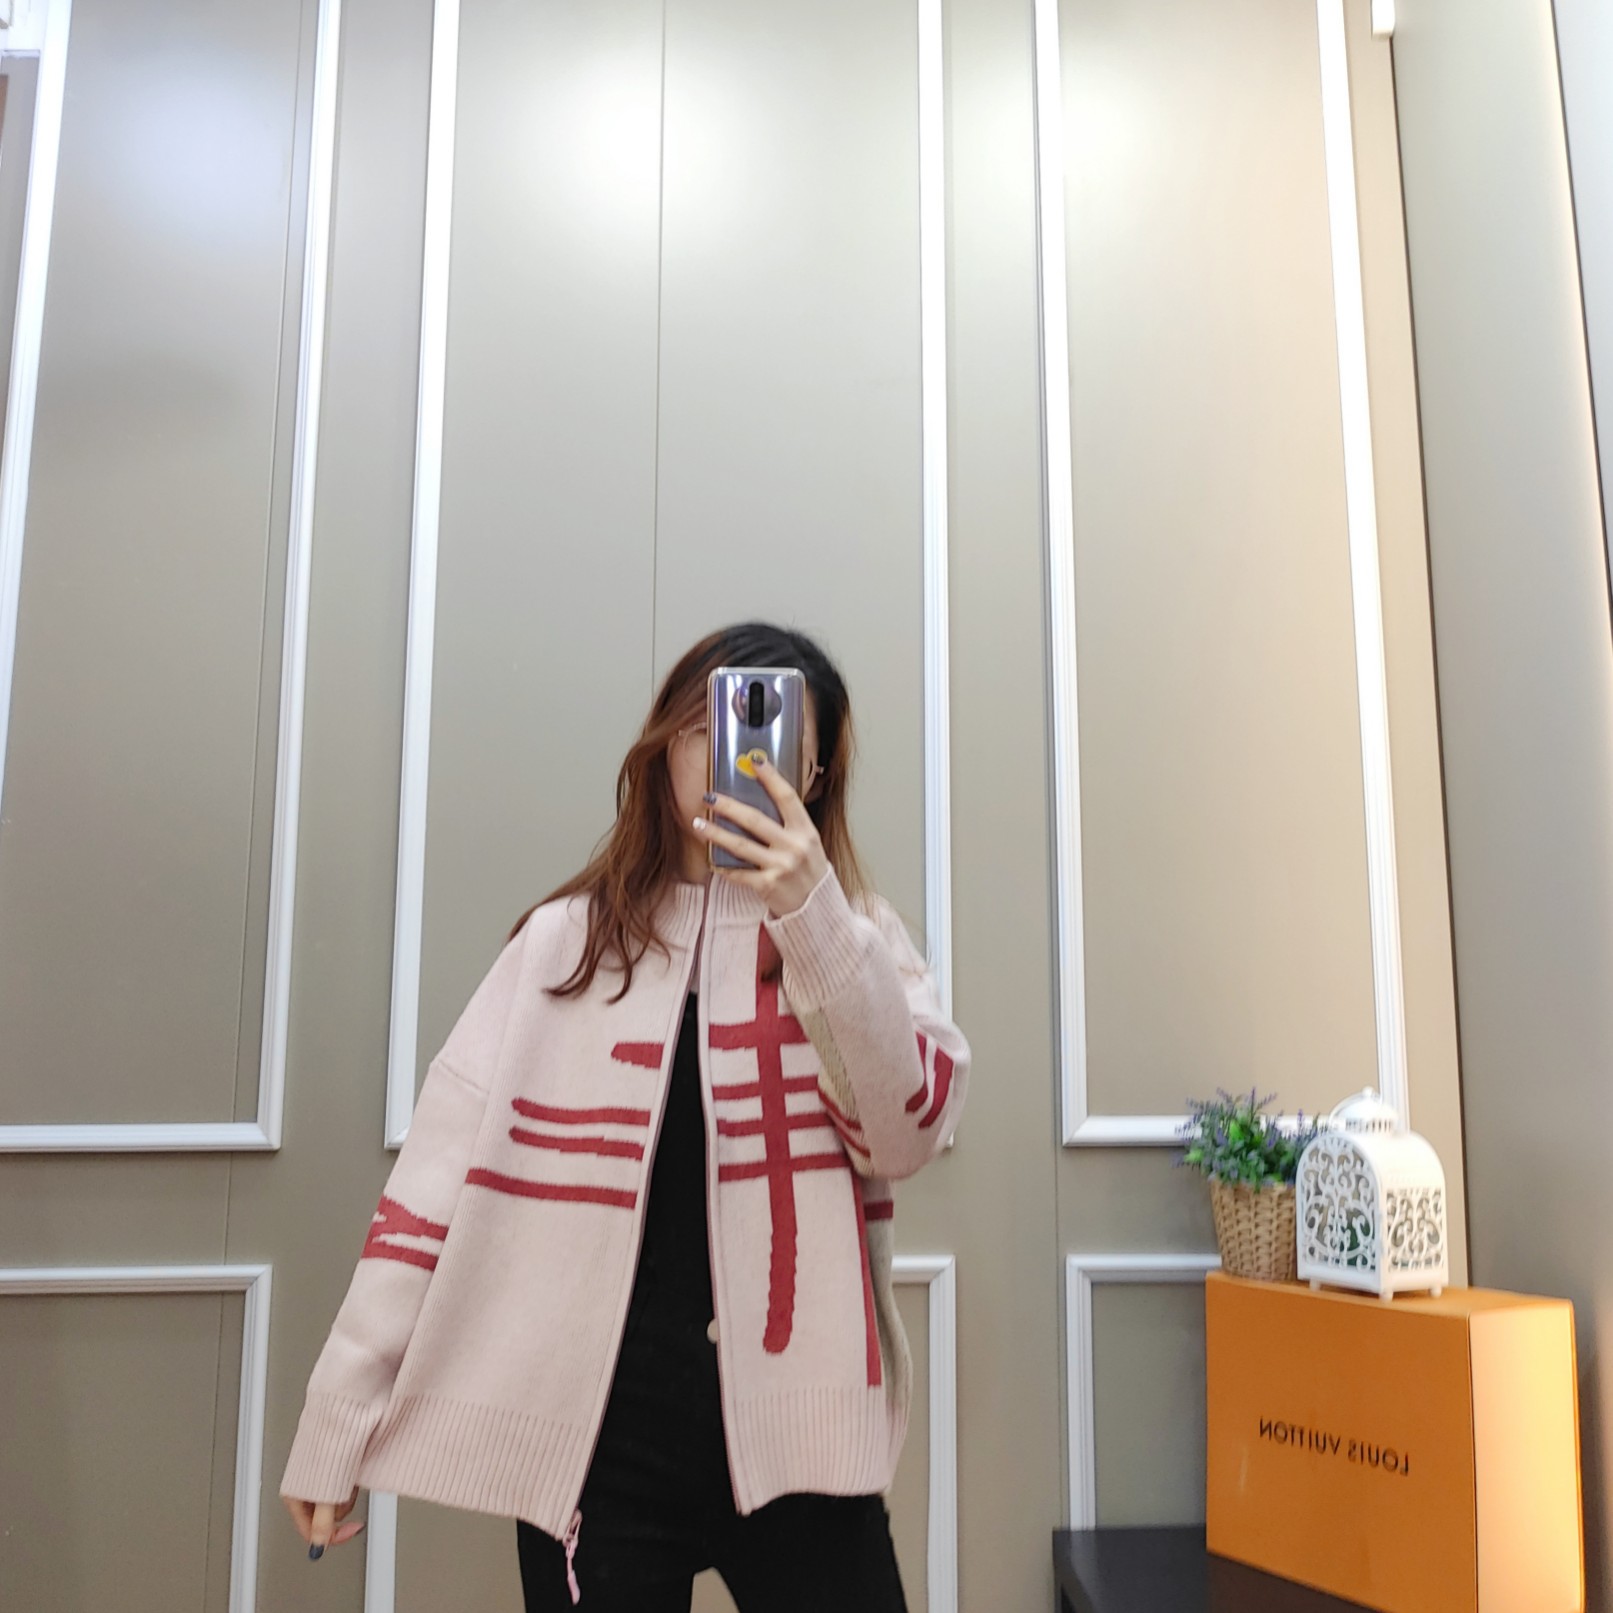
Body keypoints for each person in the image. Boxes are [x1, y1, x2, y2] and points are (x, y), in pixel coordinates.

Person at [280, 622, 969, 1612]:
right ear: (664, 742)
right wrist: (338, 1414)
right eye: (708, 722)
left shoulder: (855, 935)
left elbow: (905, 1132)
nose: (732, 756)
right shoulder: (563, 944)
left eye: (768, 732)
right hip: (597, 1451)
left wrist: (810, 914)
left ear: (812, 772)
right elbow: (429, 1189)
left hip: (803, 1441)